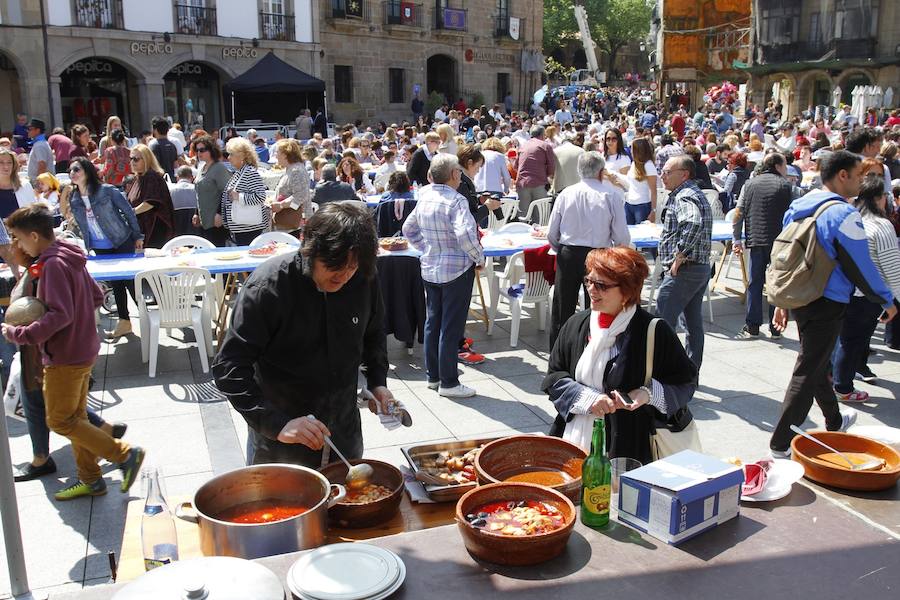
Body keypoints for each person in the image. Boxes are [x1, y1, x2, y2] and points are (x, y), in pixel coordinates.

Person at [213, 202, 396, 466]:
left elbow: (374, 333)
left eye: (352, 266)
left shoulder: (363, 278)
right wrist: (277, 425)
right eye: (335, 265)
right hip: (281, 441)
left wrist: (377, 382)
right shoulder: (268, 287)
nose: (344, 275)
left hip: (344, 434)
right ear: (309, 248)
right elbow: (228, 367)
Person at [2, 204, 145, 500]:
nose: (18, 245)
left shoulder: (52, 264)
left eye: (19, 239)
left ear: (33, 235)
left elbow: (58, 315)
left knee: (60, 420)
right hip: (83, 349)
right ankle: (91, 480)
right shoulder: (68, 253)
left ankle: (123, 455)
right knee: (77, 418)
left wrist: (19, 333)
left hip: (64, 356)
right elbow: (94, 295)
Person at [768, 151, 896, 457]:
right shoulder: (843, 214)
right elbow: (861, 264)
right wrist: (886, 300)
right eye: (858, 175)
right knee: (809, 367)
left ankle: (834, 420)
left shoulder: (799, 205)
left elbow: (786, 257)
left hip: (801, 297)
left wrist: (782, 301)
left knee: (816, 361)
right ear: (842, 175)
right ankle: (780, 443)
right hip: (828, 300)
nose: (861, 182)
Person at [543, 247, 698, 461]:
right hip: (575, 441)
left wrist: (647, 394)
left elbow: (685, 382)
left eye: (601, 285)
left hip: (631, 449)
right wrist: (588, 399)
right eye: (589, 281)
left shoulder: (653, 331)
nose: (591, 290)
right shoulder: (576, 324)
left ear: (627, 291)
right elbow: (554, 377)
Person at [403, 154, 485, 398]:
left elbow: (408, 228)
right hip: (456, 268)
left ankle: (434, 376)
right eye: (458, 172)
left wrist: (426, 247)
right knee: (450, 326)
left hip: (431, 266)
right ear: (454, 175)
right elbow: (465, 235)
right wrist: (478, 258)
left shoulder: (425, 195)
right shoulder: (457, 200)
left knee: (433, 322)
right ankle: (448, 382)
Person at [548, 151, 630, 348]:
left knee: (563, 305)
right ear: (601, 172)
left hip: (569, 252)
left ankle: (559, 349)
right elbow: (621, 236)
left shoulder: (566, 193)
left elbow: (552, 232)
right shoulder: (610, 195)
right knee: (597, 304)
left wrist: (561, 248)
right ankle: (593, 346)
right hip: (597, 253)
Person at [832, 174, 900, 402]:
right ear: (878, 198)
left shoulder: (849, 219)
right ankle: (842, 387)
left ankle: (836, 377)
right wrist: (895, 298)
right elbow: (892, 267)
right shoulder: (881, 226)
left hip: (843, 290)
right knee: (853, 341)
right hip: (868, 294)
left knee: (845, 338)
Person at [68, 156, 144, 339]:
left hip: (121, 239)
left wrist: (137, 236)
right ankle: (124, 321)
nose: (72, 173)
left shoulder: (107, 191)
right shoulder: (74, 198)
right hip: (99, 245)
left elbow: (128, 212)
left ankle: (147, 316)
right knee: (116, 283)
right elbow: (80, 223)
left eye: (76, 169)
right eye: (70, 170)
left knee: (130, 280)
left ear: (87, 171)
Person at [655, 155, 713, 369]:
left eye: (668, 172)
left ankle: (666, 372)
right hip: (698, 268)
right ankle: (689, 371)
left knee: (661, 322)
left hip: (687, 269)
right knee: (692, 323)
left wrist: (679, 256)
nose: (663, 175)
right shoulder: (691, 193)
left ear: (684, 174)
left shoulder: (684, 196)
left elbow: (693, 223)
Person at [733, 152, 793, 338]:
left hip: (756, 239)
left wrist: (737, 238)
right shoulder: (786, 185)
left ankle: (752, 325)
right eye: (784, 165)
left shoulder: (750, 184)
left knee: (755, 283)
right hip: (780, 241)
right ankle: (776, 327)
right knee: (776, 283)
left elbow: (738, 213)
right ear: (777, 166)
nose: (786, 169)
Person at [222, 136, 270, 246]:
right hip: (242, 228)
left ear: (242, 156)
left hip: (249, 229)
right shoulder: (241, 172)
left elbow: (260, 197)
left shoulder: (249, 172)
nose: (228, 158)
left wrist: (239, 197)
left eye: (231, 154)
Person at [125, 144, 175, 248]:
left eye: (136, 159)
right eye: (131, 159)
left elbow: (151, 202)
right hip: (143, 227)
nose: (132, 162)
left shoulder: (151, 176)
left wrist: (131, 212)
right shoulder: (138, 177)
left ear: (146, 160)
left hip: (155, 229)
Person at [190, 135, 230, 247]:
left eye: (202, 150)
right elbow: (199, 192)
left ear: (211, 150)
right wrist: (196, 213)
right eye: (197, 150)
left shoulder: (219, 168)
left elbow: (226, 192)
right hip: (204, 221)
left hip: (216, 222)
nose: (199, 153)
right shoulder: (201, 168)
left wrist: (220, 214)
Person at [271, 138, 311, 233]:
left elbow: (300, 197)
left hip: (296, 225)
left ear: (285, 155)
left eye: (277, 153)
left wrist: (281, 205)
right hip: (291, 224)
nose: (275, 156)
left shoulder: (296, 171)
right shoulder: (291, 169)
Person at [515, 125, 556, 216]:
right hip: (539, 183)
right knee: (540, 217)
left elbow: (516, 166)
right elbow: (551, 167)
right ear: (543, 135)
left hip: (522, 183)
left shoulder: (523, 146)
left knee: (522, 216)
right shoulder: (545, 146)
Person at [623, 138, 657, 224]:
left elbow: (653, 191)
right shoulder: (634, 164)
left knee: (641, 233)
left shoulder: (649, 165)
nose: (631, 151)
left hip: (642, 205)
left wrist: (653, 211)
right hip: (629, 203)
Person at [0, 147, 36, 221]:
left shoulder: (25, 185)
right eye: (1, 162)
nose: (6, 167)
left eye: (9, 162)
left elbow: (33, 214)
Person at [169, 165, 199, 236]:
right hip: (195, 230)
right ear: (192, 178)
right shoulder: (198, 191)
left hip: (176, 230)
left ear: (177, 178)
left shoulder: (170, 191)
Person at [148, 116, 178, 180]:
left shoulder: (153, 145)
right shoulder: (172, 145)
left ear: (155, 130)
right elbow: (175, 165)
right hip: (171, 179)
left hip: (158, 181)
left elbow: (152, 166)